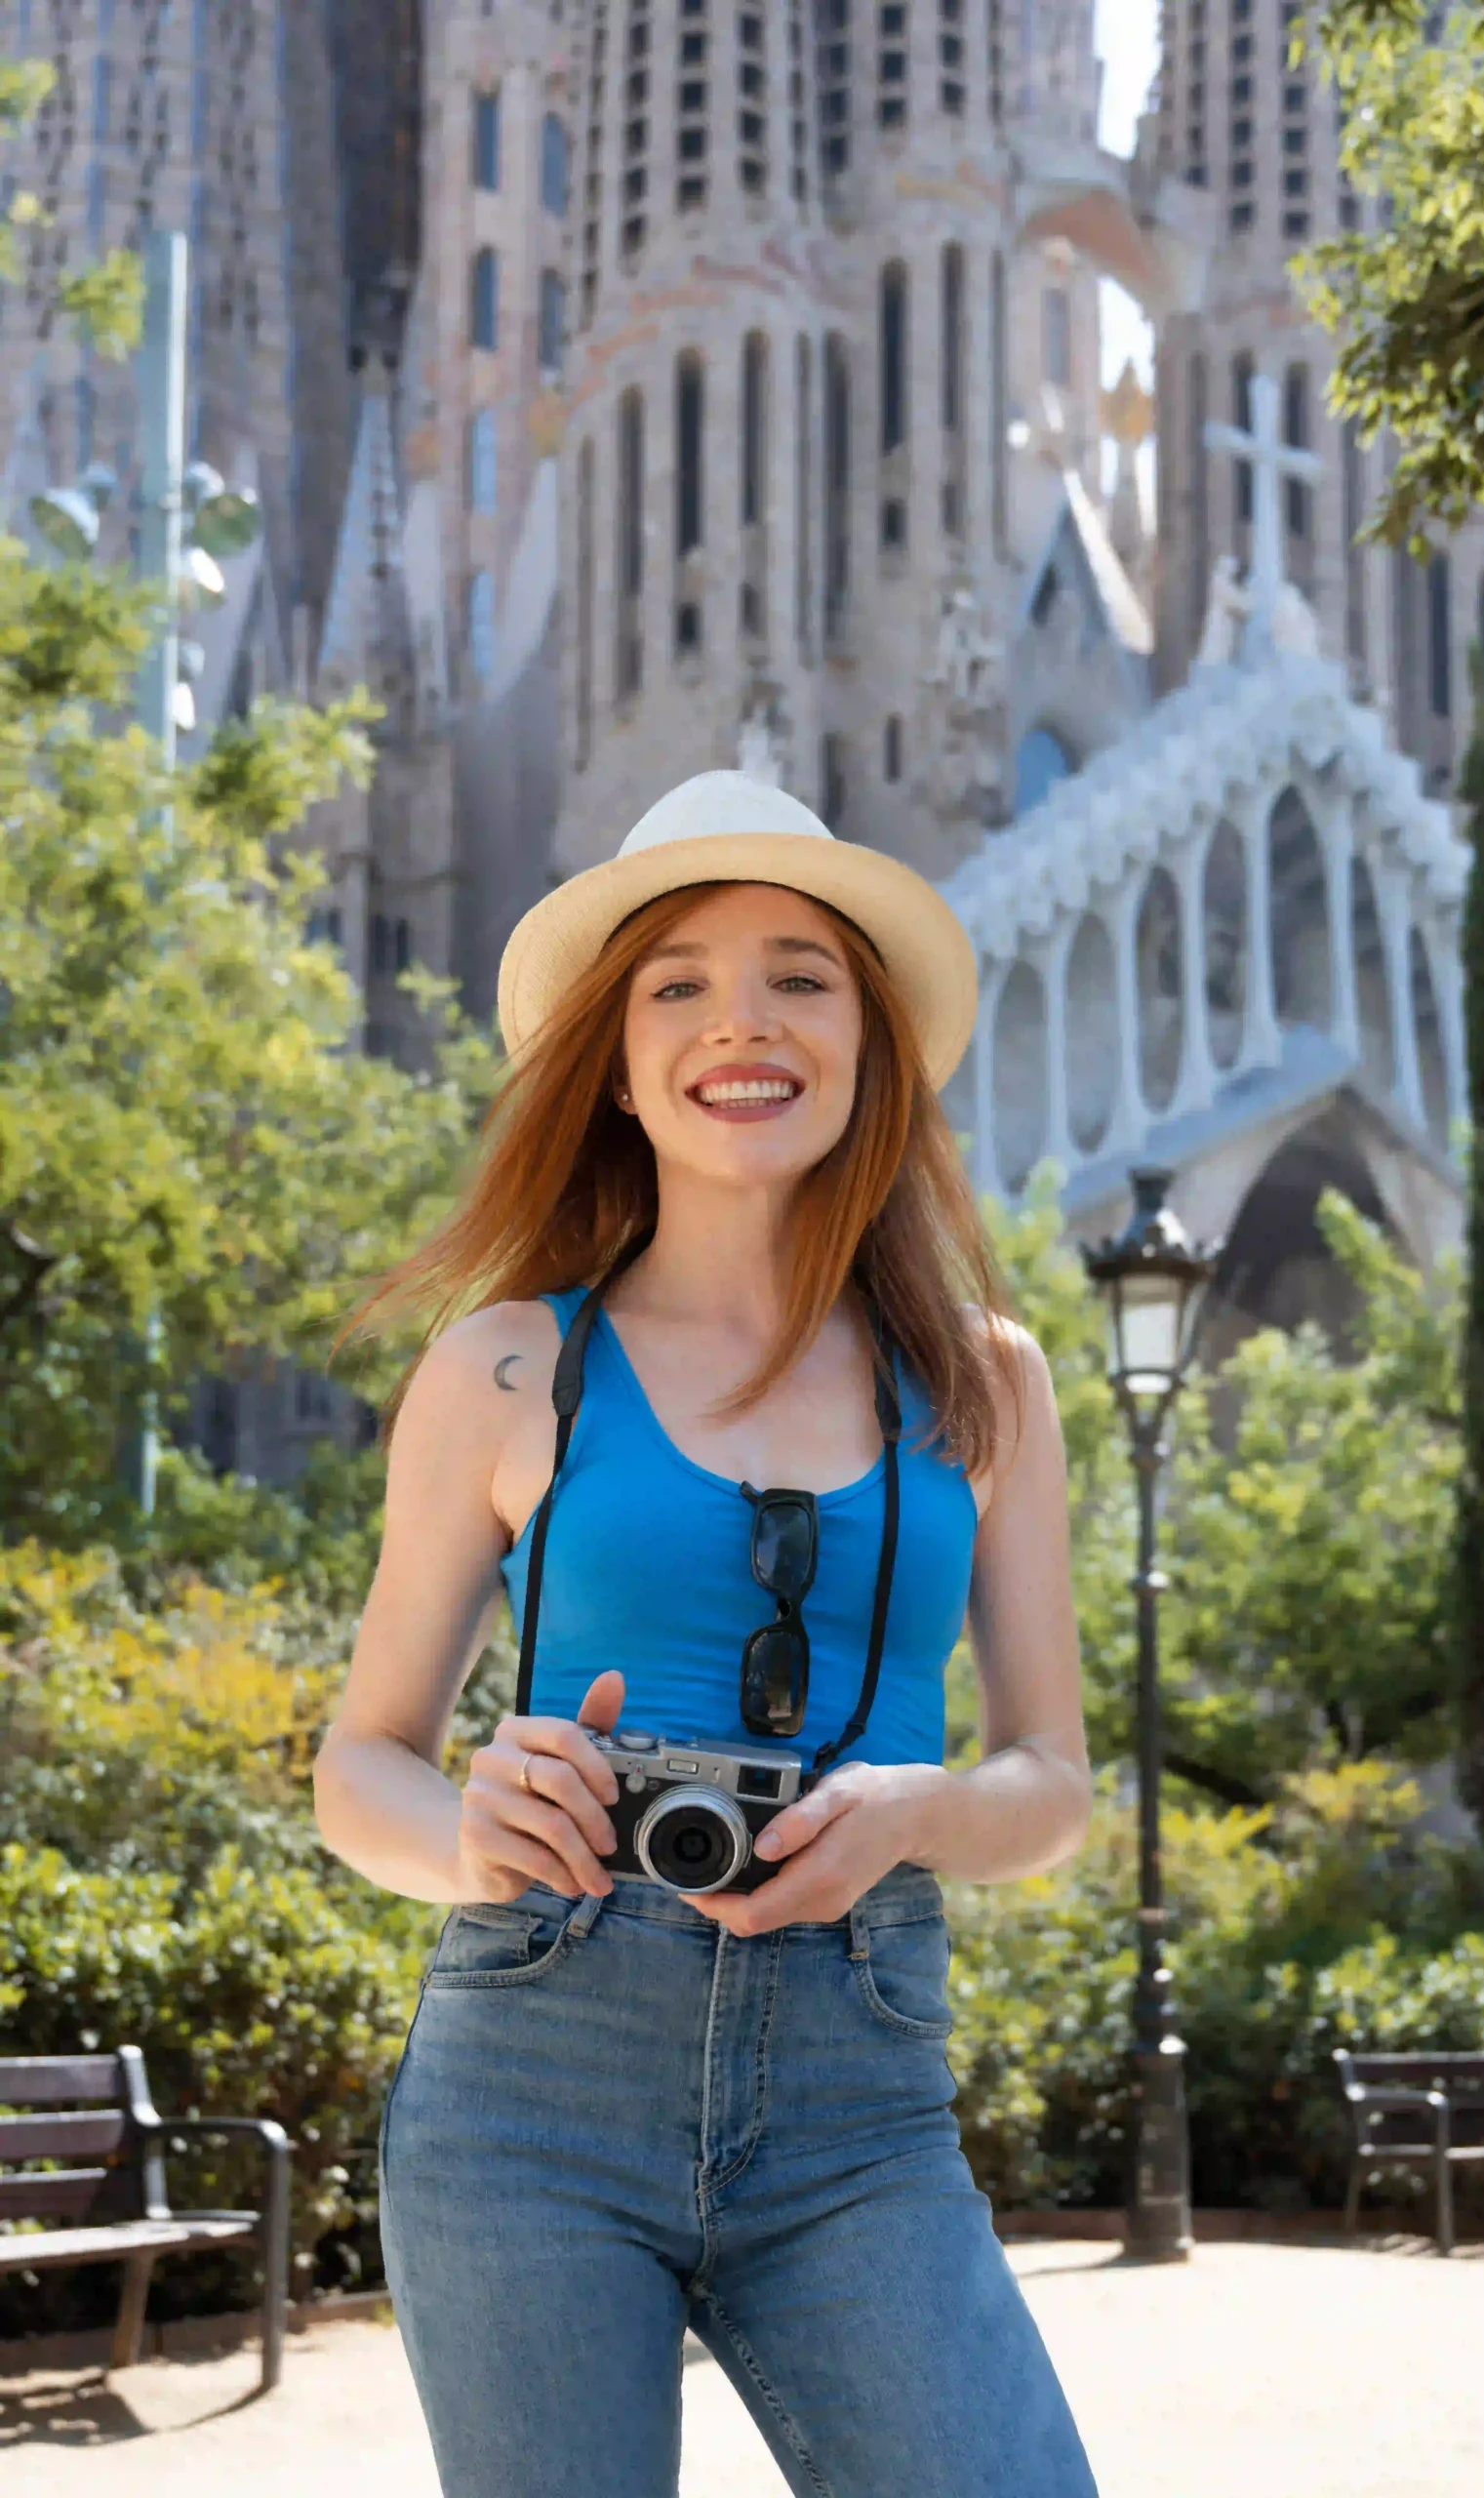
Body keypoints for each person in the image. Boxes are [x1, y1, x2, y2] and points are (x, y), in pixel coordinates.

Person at [313, 771, 1099, 2498]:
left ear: (869, 1043)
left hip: (859, 2099)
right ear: (614, 1061)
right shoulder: (507, 1365)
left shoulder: (986, 1382)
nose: (741, 1021)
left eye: (799, 977)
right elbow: (358, 1762)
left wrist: (914, 1810)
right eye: (676, 983)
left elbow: (1052, 1781)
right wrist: (469, 1834)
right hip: (532, 2084)